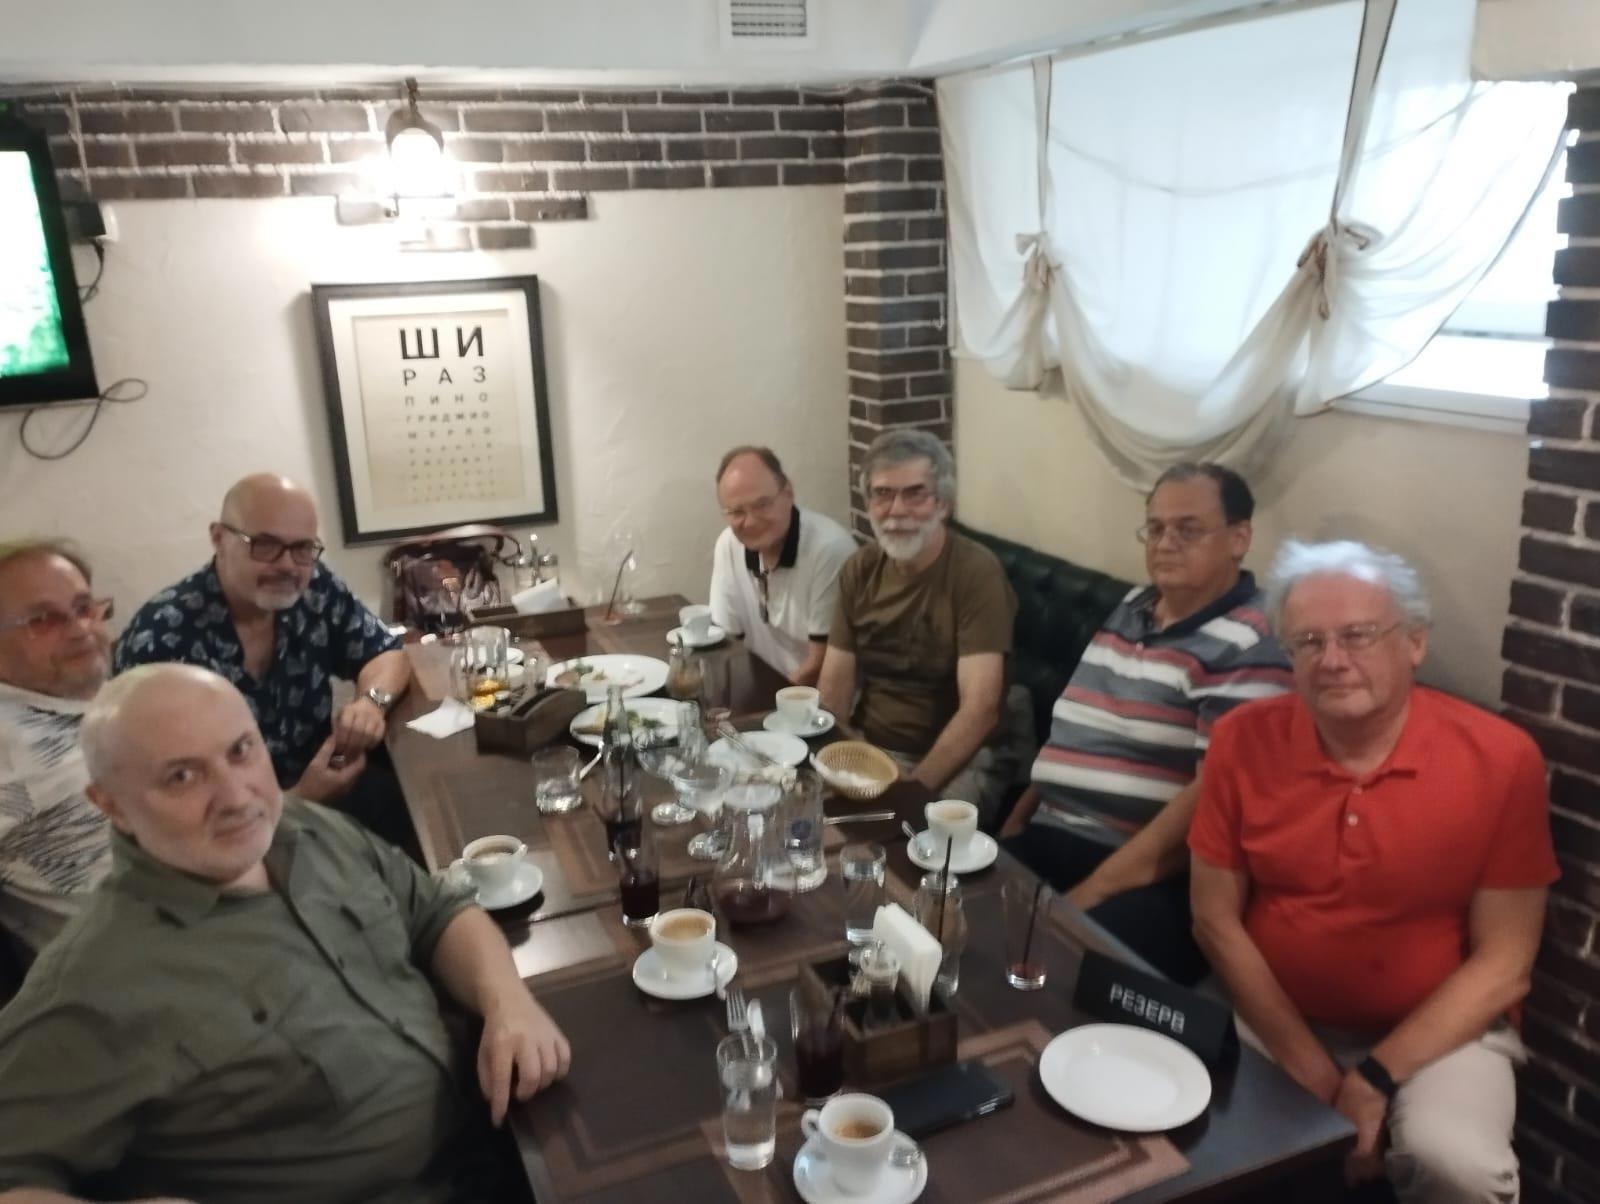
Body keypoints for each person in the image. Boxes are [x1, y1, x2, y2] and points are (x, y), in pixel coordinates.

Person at [0, 663, 570, 1203]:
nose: (237, 796)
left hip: (508, 1132)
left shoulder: (301, 826)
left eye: (240, 751)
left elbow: (435, 911)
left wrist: (508, 1002)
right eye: (182, 776)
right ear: (111, 805)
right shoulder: (91, 984)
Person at [1190, 540, 1556, 1201]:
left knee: (1459, 1167)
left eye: (1358, 635)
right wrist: (1312, 1072)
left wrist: (1373, 1080)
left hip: (1443, 1032)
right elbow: (1214, 920)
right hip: (1271, 1015)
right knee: (1184, 1135)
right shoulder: (1241, 739)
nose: (1333, 660)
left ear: (1414, 642)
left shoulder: (1502, 760)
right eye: (1308, 641)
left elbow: (1506, 963)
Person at [999, 463, 1291, 984]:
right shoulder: (1136, 605)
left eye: (1188, 529)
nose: (1166, 543)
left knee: (1058, 970)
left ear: (1239, 538)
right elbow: (1077, 729)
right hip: (1055, 831)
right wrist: (1019, 819)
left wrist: (1091, 893)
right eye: (1155, 528)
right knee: (944, 909)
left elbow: (1210, 804)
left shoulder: (1254, 641)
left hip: (1149, 872)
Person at [115, 474, 413, 846]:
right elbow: (163, 800)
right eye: (266, 545)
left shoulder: (315, 588)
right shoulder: (160, 639)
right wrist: (302, 799)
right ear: (218, 538)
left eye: (302, 548)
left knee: (432, 823)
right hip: (230, 835)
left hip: (334, 791)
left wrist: (371, 702)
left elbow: (386, 651)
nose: (287, 565)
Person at [818, 430, 1017, 816]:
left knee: (913, 839)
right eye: (883, 494)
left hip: (962, 759)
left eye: (915, 494)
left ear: (943, 504)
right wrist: (830, 764)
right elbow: (834, 690)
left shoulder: (977, 573)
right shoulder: (860, 569)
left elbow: (980, 710)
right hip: (872, 748)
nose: (896, 511)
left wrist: (911, 792)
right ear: (868, 503)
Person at [0, 541, 114, 954]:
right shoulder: (10, 747)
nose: (81, 629)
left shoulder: (90, 699)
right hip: (158, 963)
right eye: (42, 620)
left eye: (84, 608)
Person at [708, 446, 857, 685]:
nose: (751, 521)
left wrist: (769, 702)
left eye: (762, 505)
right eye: (736, 512)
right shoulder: (729, 544)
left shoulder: (829, 550)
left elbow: (821, 663)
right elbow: (727, 642)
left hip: (817, 698)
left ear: (788, 493)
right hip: (766, 690)